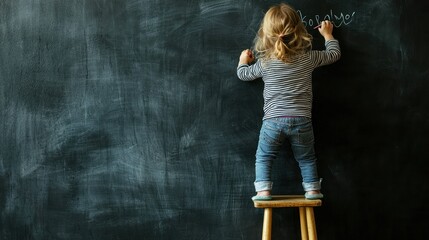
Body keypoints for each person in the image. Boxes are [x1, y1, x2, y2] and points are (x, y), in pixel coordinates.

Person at [236, 3, 341, 200]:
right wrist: (327, 35)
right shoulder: (308, 58)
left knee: (264, 157)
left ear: (266, 34)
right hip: (302, 120)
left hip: (273, 122)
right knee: (306, 158)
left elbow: (243, 74)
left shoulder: (265, 63)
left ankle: (263, 191)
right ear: (298, 31)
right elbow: (334, 55)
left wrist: (243, 59)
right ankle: (312, 190)